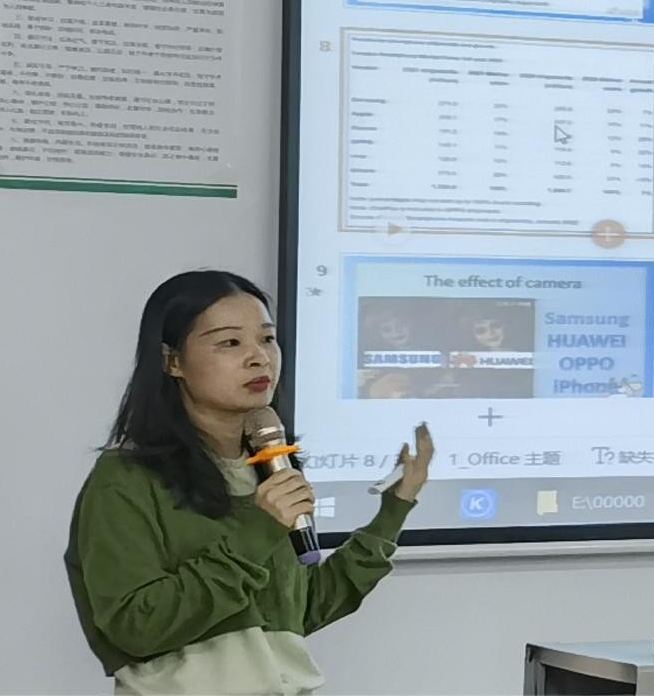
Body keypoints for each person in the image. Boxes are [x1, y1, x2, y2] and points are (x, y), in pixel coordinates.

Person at [65, 270, 432, 694]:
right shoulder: (126, 479)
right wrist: (258, 530)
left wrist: (394, 510)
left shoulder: (272, 468)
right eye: (230, 343)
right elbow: (136, 627)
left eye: (267, 339)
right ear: (172, 361)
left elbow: (301, 611)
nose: (259, 358)